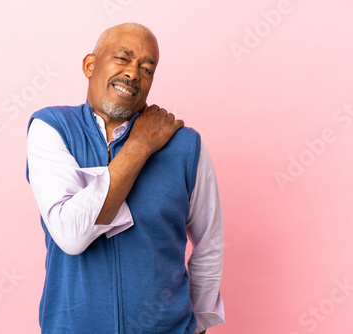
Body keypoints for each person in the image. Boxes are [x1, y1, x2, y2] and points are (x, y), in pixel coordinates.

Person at [26, 22, 224, 334]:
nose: (134, 73)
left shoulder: (186, 146)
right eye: (122, 58)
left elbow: (210, 242)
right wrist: (140, 145)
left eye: (147, 68)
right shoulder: (51, 128)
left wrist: (196, 324)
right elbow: (71, 234)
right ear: (90, 65)